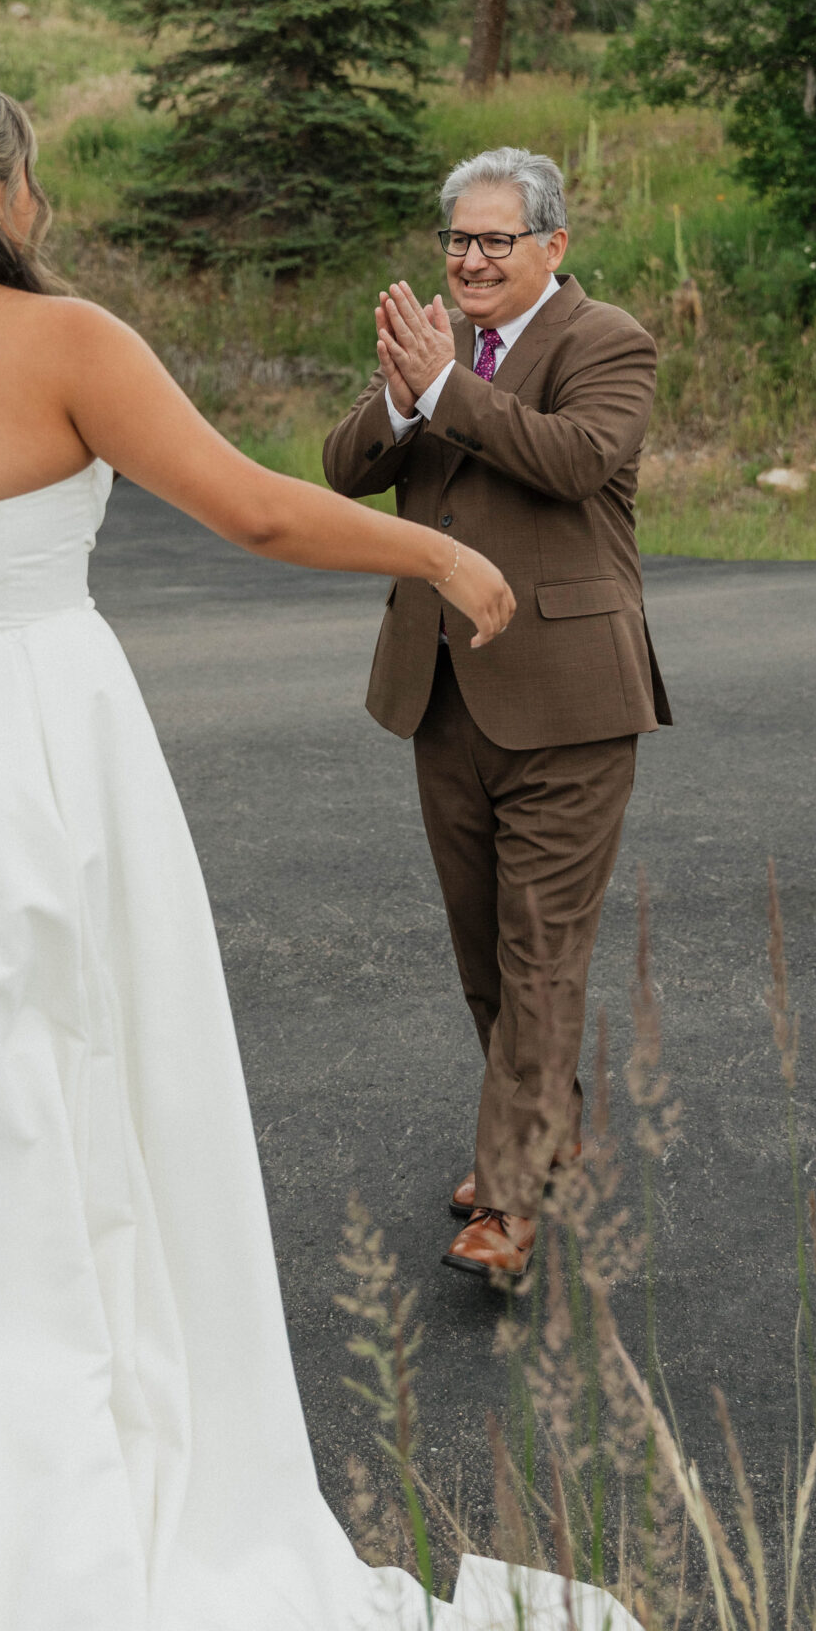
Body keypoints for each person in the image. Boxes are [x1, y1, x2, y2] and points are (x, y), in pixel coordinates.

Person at [0, 67, 660, 1631]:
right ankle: (31, 1464)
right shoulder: (70, 342)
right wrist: (435, 548)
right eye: (25, 176)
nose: (40, 202)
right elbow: (254, 514)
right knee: (47, 1108)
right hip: (33, 764)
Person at [322, 148, 670, 1286]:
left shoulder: (605, 341)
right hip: (442, 693)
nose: (470, 260)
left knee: (540, 952)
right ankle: (544, 1127)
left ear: (552, 246)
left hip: (571, 701)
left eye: (494, 240)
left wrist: (443, 391)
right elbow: (343, 472)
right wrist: (399, 395)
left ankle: (512, 1199)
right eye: (457, 240)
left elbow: (573, 460)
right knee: (483, 946)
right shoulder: (437, 350)